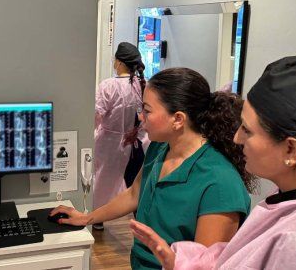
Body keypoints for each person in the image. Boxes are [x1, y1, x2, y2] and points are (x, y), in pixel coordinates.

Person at [131, 56, 296, 270]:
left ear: (291, 150)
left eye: (247, 130)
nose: (236, 138)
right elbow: (243, 258)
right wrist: (182, 262)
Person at [52, 67, 256, 269]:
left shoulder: (220, 183)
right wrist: (87, 217)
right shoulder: (160, 148)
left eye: (147, 111)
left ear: (177, 119)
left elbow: (203, 265)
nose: (141, 117)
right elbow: (134, 194)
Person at [92, 42, 147, 231]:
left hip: (108, 140)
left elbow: (96, 114)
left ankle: (97, 217)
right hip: (135, 141)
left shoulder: (108, 86)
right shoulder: (142, 85)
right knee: (135, 180)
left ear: (119, 62)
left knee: (102, 178)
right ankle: (141, 220)